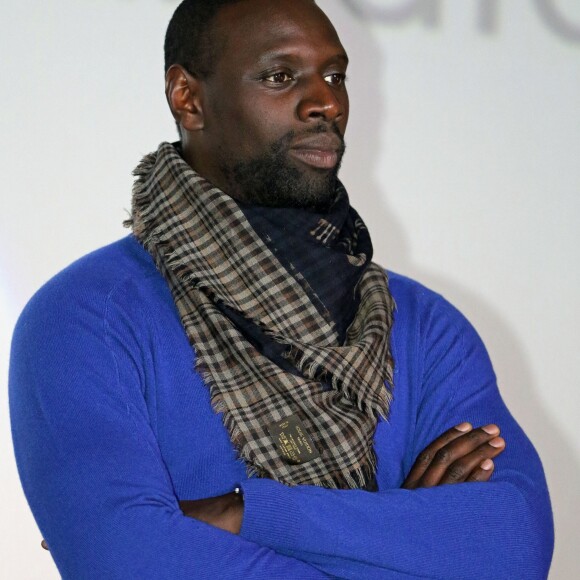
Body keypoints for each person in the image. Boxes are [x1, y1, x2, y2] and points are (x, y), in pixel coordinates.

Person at [9, 0, 553, 578]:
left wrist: (243, 513)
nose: (327, 102)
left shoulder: (422, 324)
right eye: (280, 76)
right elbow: (126, 560)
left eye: (335, 75)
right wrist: (409, 533)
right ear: (188, 99)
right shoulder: (86, 319)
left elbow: (514, 546)